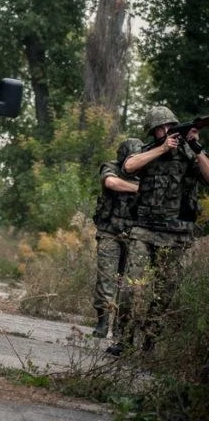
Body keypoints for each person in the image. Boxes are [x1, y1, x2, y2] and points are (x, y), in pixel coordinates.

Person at [107, 106, 209, 355]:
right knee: (132, 287)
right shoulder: (148, 151)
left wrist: (195, 148)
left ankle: (150, 342)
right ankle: (124, 339)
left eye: (168, 127)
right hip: (144, 230)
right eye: (160, 129)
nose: (165, 131)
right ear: (154, 132)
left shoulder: (189, 154)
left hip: (176, 235)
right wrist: (162, 149)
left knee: (165, 291)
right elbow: (128, 167)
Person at [90, 138, 142, 338]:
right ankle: (103, 321)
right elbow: (111, 182)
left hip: (134, 234)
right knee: (106, 277)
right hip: (109, 232)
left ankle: (122, 326)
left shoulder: (146, 172)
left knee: (127, 282)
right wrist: (138, 188)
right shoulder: (110, 167)